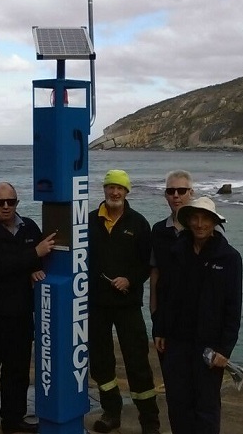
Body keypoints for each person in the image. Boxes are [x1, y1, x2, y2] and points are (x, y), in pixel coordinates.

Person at [0, 182, 56, 434]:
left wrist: (35, 265)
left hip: (21, 313)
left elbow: (42, 258)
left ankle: (13, 419)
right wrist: (32, 256)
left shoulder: (29, 227)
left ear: (17, 202)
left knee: (17, 371)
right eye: (0, 202)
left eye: (11, 201)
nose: (6, 206)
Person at [153, 197, 243, 434]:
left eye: (206, 219)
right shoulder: (177, 251)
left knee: (206, 407)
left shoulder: (229, 258)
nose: (200, 223)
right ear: (188, 220)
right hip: (176, 342)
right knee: (178, 403)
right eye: (195, 217)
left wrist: (225, 349)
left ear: (215, 222)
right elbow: (165, 292)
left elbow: (233, 307)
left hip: (209, 347)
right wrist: (160, 329)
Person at [88, 170, 160, 434]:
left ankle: (149, 421)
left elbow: (147, 265)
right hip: (96, 305)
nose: (115, 193)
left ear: (127, 192)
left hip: (128, 305)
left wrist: (129, 279)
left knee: (137, 362)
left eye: (120, 188)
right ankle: (111, 412)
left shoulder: (139, 223)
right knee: (101, 362)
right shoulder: (88, 222)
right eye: (110, 188)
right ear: (104, 190)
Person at [149, 170, 195, 366]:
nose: (176, 195)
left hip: (197, 323)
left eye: (181, 190)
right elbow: (155, 276)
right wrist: (156, 322)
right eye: (171, 191)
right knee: (173, 383)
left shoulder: (203, 229)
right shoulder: (159, 230)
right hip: (168, 322)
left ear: (191, 193)